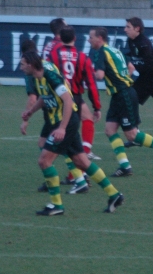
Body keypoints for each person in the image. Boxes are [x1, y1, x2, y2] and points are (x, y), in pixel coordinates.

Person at [20, 50, 124, 215]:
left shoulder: (50, 75)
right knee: (82, 162)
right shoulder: (38, 76)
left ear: (31, 65)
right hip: (59, 122)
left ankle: (56, 206)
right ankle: (114, 194)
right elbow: (44, 96)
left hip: (65, 123)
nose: (21, 67)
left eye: (23, 64)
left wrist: (62, 128)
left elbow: (68, 100)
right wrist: (31, 111)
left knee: (44, 161)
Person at [88, 26, 153, 176]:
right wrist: (122, 79)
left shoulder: (100, 53)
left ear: (100, 39)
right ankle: (125, 166)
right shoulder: (116, 50)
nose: (89, 40)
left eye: (91, 37)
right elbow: (130, 66)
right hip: (119, 94)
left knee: (132, 135)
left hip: (124, 95)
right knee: (110, 130)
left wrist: (87, 70)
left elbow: (99, 76)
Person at [19, 39, 88, 194]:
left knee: (60, 148)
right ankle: (57, 179)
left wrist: (25, 120)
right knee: (44, 143)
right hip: (53, 111)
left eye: (23, 63)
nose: (21, 67)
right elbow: (63, 84)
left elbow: (33, 97)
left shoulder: (34, 73)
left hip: (56, 113)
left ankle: (77, 181)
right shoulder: (46, 63)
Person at [49, 25, 102, 166]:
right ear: (75, 38)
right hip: (74, 98)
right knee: (69, 137)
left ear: (60, 38)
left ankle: (80, 168)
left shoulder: (53, 54)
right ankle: (79, 173)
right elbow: (91, 85)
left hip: (57, 97)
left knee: (68, 134)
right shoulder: (83, 57)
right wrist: (97, 106)